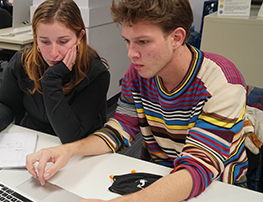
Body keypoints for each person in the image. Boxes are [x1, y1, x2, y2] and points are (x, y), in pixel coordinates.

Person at [26, 0, 248, 201]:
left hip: (216, 187)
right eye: (127, 41)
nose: (131, 53)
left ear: (176, 38)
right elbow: (119, 129)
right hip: (158, 177)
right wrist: (68, 151)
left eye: (142, 42)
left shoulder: (222, 82)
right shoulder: (138, 75)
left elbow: (197, 170)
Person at [0, 0, 110, 144]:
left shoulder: (95, 73)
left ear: (79, 37)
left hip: (76, 149)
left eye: (63, 42)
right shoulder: (22, 61)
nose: (53, 53)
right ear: (35, 37)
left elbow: (71, 135)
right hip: (32, 141)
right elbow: (6, 103)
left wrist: (51, 79)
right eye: (44, 42)